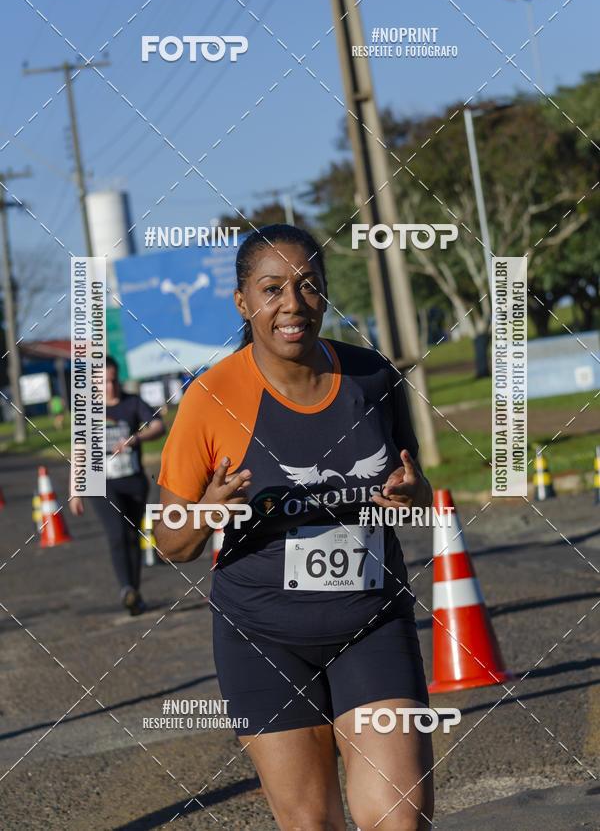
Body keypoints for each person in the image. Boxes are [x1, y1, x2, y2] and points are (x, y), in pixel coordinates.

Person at [155, 225, 434, 830]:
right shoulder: (209, 396)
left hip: (372, 622)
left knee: (401, 818)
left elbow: (419, 494)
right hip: (262, 636)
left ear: (325, 294)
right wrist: (206, 510)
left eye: (308, 286)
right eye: (272, 288)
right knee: (313, 825)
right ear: (242, 301)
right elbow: (169, 541)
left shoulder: (373, 376)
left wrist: (416, 498)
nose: (292, 304)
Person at [69, 356, 166, 615]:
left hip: (133, 481)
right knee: (117, 533)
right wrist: (75, 491)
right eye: (103, 382)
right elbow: (79, 450)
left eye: (113, 381)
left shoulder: (132, 403)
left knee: (133, 537)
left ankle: (134, 593)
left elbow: (159, 425)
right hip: (99, 482)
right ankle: (125, 587)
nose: (109, 387)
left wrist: (136, 438)